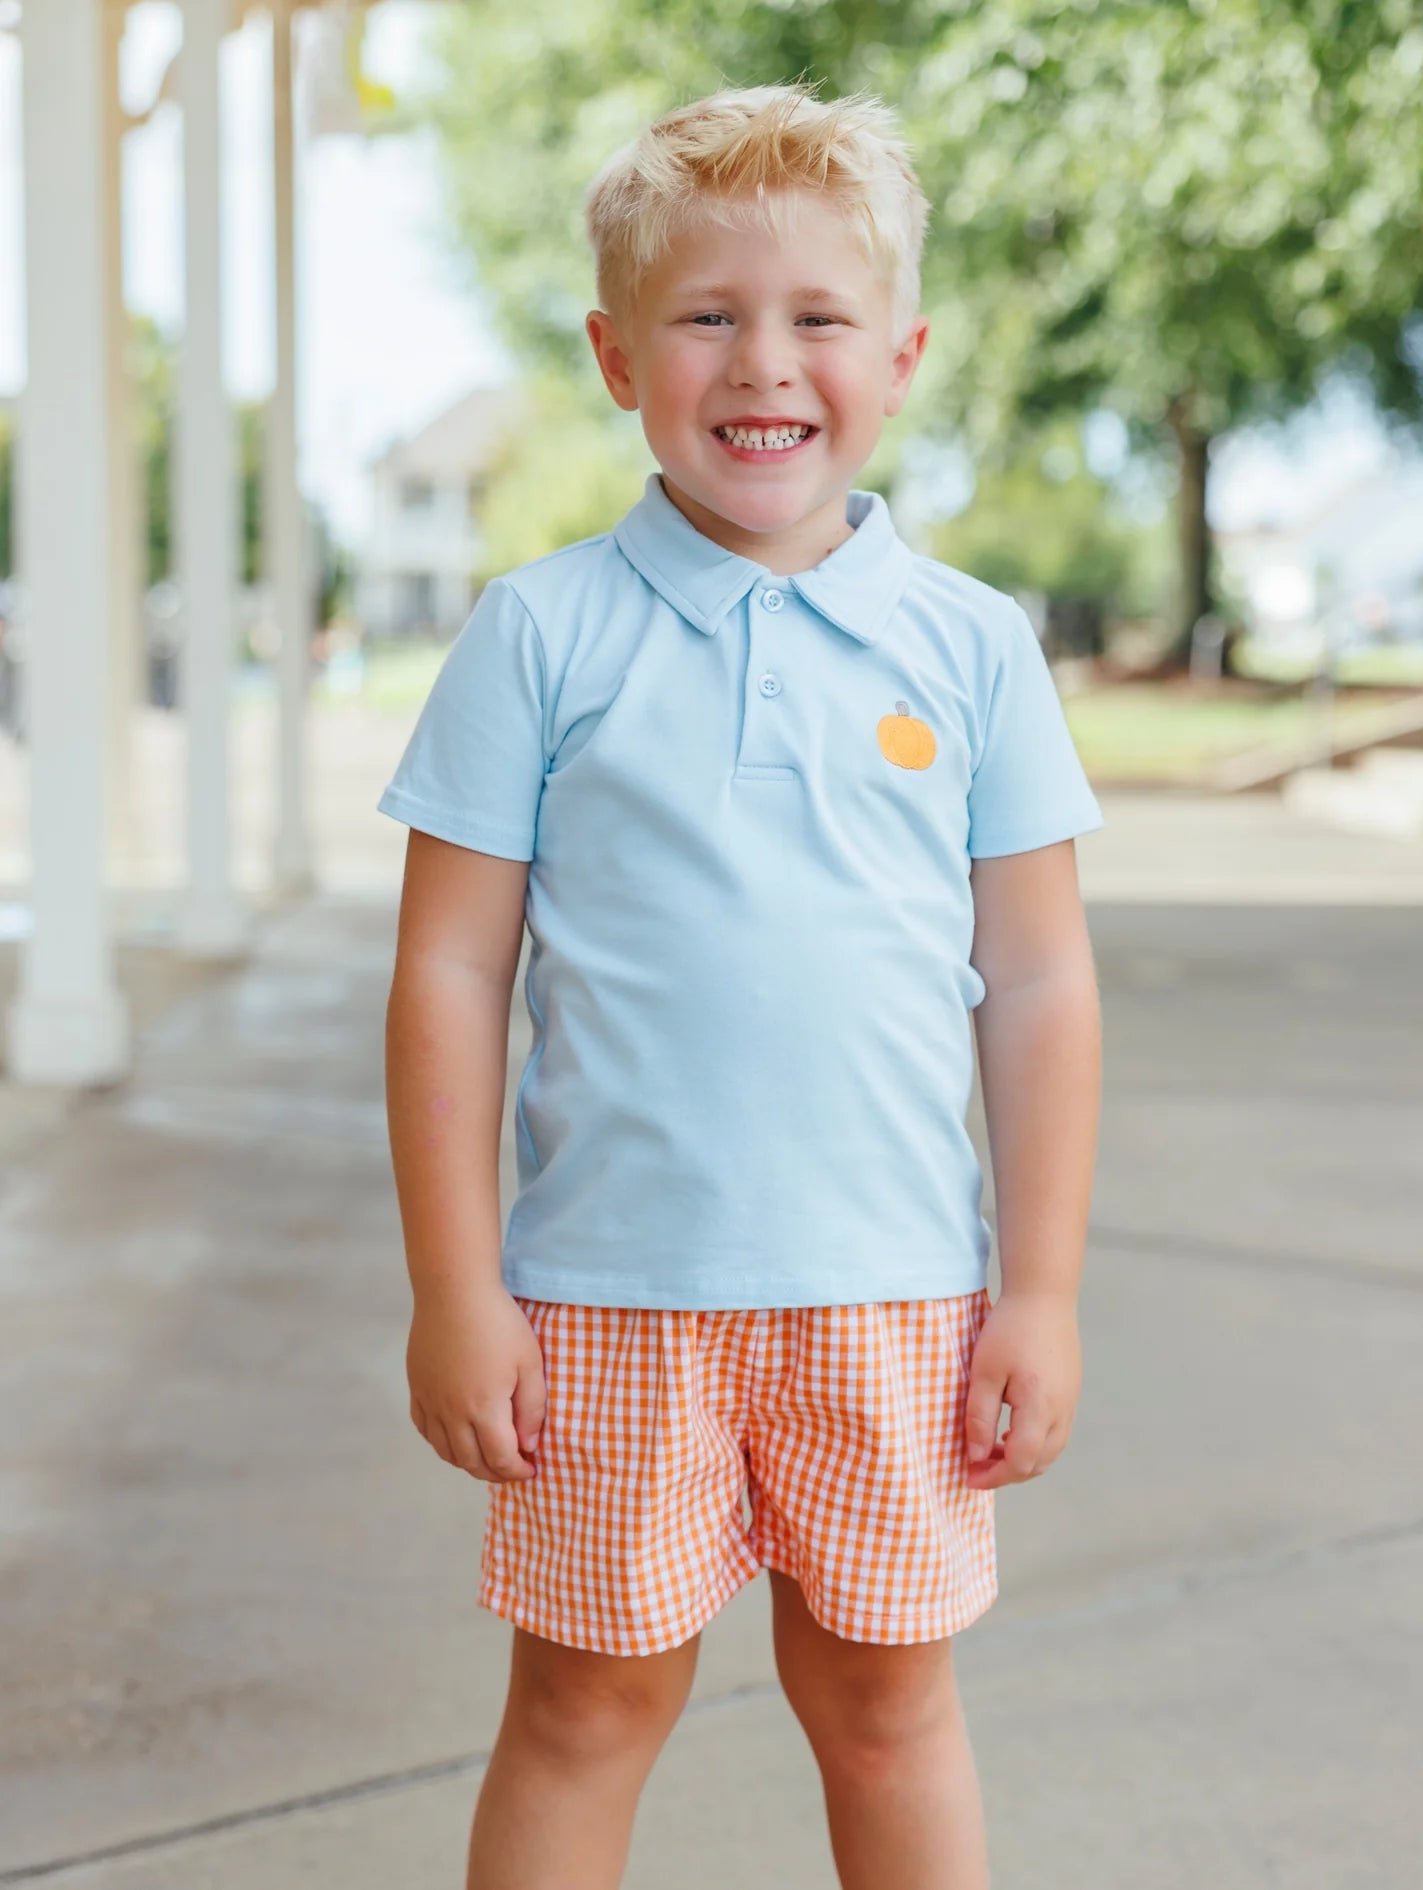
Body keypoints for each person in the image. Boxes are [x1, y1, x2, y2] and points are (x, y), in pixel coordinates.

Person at [379, 79, 1104, 1890]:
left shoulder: (973, 648)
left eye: (817, 317)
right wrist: (456, 1287)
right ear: (619, 355)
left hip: (895, 1295)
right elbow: (450, 970)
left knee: (885, 1705)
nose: (763, 362)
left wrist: (1042, 1289)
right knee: (584, 1706)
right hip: (609, 1300)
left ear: (902, 357)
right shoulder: (539, 634)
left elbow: (1038, 982)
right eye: (708, 314)